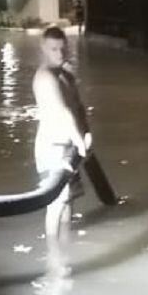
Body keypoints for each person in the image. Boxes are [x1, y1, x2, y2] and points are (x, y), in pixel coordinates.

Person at [32, 26, 90, 278]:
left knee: (69, 201)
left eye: (63, 48)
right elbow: (61, 110)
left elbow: (78, 106)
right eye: (53, 49)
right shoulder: (45, 77)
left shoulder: (66, 74)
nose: (59, 53)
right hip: (52, 150)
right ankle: (53, 260)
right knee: (55, 205)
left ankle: (68, 249)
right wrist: (80, 141)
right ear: (43, 49)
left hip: (70, 148)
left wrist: (85, 133)